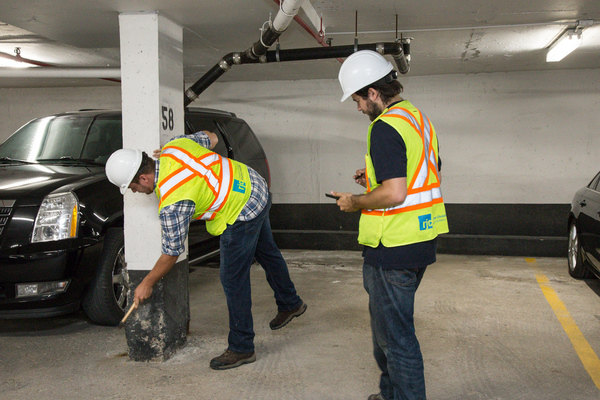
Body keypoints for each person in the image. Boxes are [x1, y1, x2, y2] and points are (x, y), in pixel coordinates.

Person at [105, 130, 306, 370]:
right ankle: (290, 303)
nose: (135, 192)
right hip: (254, 186)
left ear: (145, 179)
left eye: (132, 188)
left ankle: (242, 347)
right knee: (266, 252)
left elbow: (171, 253)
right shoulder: (175, 146)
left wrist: (146, 282)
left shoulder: (173, 202)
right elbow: (212, 137)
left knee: (232, 279)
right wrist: (171, 149)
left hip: (241, 210)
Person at [331, 50, 449, 400]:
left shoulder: (384, 127)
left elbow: (395, 193)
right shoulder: (418, 119)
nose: (358, 109)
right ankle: (390, 394)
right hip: (421, 238)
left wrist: (354, 202)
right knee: (387, 334)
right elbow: (426, 169)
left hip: (393, 246)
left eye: (358, 100)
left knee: (397, 340)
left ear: (372, 92)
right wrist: (374, 175)